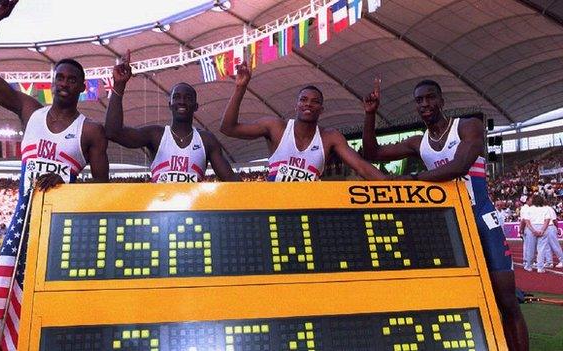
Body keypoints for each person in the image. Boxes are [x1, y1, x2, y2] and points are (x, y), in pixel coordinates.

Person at [0, 1, 109, 350]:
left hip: (61, 235)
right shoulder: (29, 110)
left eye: (71, 79)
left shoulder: (89, 131)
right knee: (0, 313)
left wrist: (63, 191)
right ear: (52, 81)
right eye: (59, 77)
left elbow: (102, 192)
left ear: (81, 87)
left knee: (50, 315)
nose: (64, 83)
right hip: (21, 225)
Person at [361, 79, 528, 351]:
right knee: (458, 300)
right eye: (419, 100)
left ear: (442, 101)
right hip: (449, 225)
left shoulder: (467, 126)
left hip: (481, 218)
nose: (425, 104)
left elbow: (459, 166)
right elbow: (373, 153)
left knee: (506, 302)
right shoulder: (420, 142)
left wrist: (412, 179)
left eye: (430, 98)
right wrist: (370, 115)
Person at [220, 62, 386, 181]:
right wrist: (240, 88)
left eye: (315, 101)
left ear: (321, 110)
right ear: (296, 106)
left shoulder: (330, 137)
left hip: (308, 209)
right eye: (304, 100)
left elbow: (361, 166)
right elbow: (228, 128)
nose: (308, 104)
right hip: (274, 205)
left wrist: (393, 186)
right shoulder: (276, 127)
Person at [105, 51, 239, 182]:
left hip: (192, 204)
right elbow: (113, 132)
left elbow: (231, 180)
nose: (181, 101)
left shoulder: (206, 140)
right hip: (159, 203)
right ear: (170, 104)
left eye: (188, 98)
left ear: (196, 106)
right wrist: (119, 85)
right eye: (176, 97)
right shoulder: (156, 135)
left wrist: (240, 87)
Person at [528, 195, 563, 272]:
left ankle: (562, 260)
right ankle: (549, 261)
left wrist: (556, 228)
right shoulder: (543, 209)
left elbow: (554, 220)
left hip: (550, 227)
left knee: (554, 245)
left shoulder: (549, 209)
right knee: (546, 246)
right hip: (546, 227)